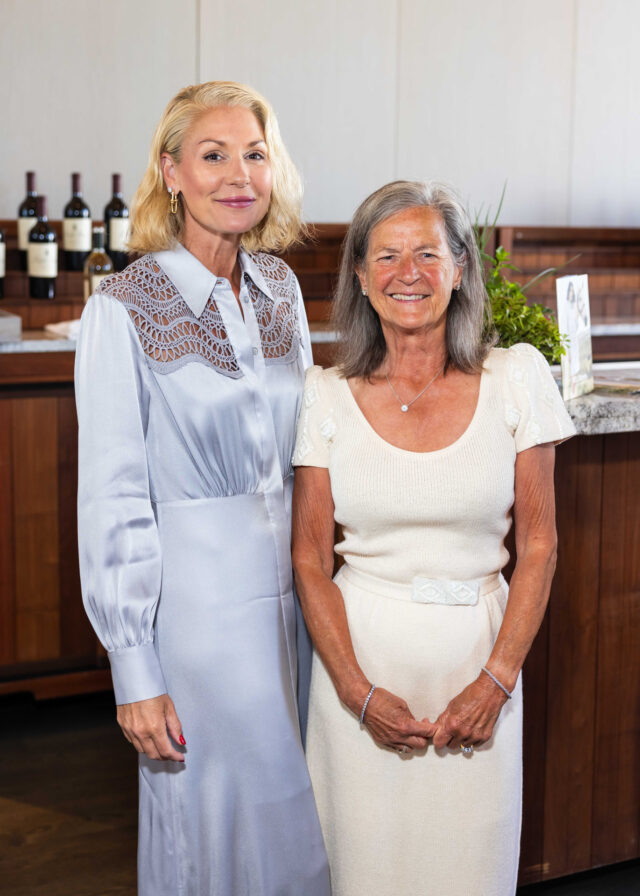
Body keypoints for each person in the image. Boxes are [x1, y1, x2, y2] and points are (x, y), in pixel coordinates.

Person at [75, 81, 330, 896]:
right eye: (212, 155)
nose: (237, 175)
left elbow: (314, 453)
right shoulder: (122, 309)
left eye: (254, 154)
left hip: (295, 608)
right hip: (196, 619)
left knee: (299, 827)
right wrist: (133, 669)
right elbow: (112, 499)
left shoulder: (281, 292)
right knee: (209, 828)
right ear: (170, 171)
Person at [292, 180, 576, 895]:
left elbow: (539, 547)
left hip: (478, 669)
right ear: (359, 275)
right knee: (364, 874)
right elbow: (308, 559)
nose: (407, 274)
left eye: (428, 253)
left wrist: (495, 681)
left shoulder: (517, 378)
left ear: (460, 268)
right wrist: (358, 693)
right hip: (359, 677)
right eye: (386, 256)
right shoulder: (324, 393)